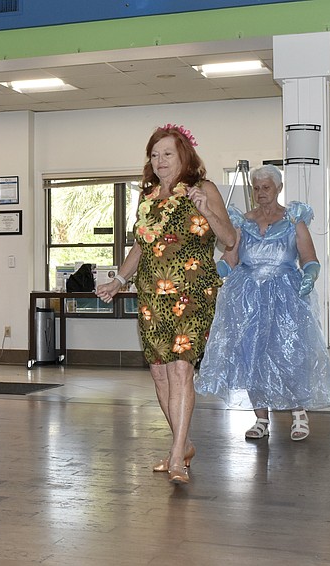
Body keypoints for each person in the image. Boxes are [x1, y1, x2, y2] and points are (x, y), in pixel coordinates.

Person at [96, 123, 235, 485]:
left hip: (191, 292)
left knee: (179, 369)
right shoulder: (148, 197)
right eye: (154, 155)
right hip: (151, 294)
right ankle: (183, 443)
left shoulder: (204, 190)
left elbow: (230, 239)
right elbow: (141, 246)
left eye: (167, 153)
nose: (159, 161)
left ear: (184, 155)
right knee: (159, 371)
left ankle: (176, 456)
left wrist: (207, 211)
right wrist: (119, 281)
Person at [196, 164, 330, 441]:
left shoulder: (295, 220)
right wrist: (210, 277)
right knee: (253, 356)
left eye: (266, 187)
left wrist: (310, 274)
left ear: (279, 188)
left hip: (286, 298)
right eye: (256, 188)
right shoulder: (243, 222)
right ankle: (261, 418)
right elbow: (230, 260)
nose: (260, 193)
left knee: (290, 354)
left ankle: (298, 413)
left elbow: (310, 258)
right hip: (247, 299)